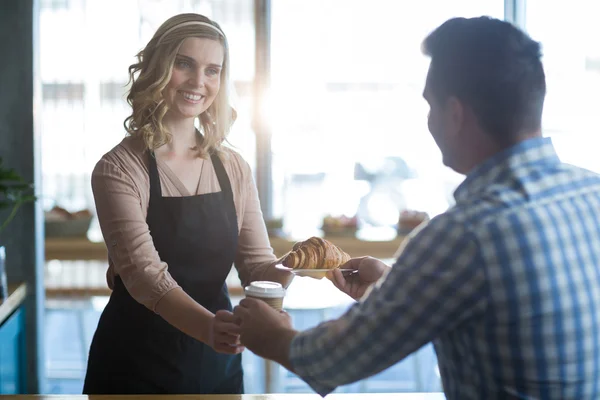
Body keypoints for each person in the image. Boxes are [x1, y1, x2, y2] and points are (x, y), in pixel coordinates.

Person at [233, 16, 600, 399]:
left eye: (430, 105)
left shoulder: (464, 234)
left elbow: (334, 360)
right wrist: (394, 287)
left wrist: (272, 335)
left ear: (455, 114)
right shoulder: (590, 193)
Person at [83, 13, 291, 394]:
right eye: (184, 64)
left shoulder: (233, 167)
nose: (199, 82)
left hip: (218, 360)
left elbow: (258, 265)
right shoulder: (119, 169)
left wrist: (295, 266)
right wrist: (209, 327)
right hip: (135, 365)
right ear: (158, 67)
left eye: (213, 70)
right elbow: (146, 277)